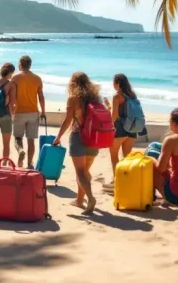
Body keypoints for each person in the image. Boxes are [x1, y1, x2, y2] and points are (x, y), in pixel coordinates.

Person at [53, 72, 101, 214]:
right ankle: (79, 201)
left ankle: (90, 198)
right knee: (85, 172)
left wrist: (58, 136)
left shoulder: (73, 99)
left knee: (80, 172)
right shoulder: (95, 98)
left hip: (79, 137)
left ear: (73, 83)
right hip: (94, 138)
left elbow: (68, 120)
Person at [11, 55, 47, 169]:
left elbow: (11, 95)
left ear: (20, 64)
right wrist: (43, 112)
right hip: (33, 113)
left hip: (19, 112)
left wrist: (10, 110)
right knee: (31, 140)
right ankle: (30, 163)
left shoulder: (15, 78)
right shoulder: (37, 78)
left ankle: (21, 151)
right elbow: (41, 97)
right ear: (30, 65)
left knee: (18, 138)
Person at [104, 73, 139, 188]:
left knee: (114, 157)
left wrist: (107, 127)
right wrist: (109, 106)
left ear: (117, 83)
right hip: (132, 129)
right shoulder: (132, 95)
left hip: (119, 129)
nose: (113, 85)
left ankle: (117, 181)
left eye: (114, 83)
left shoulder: (117, 96)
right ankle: (127, 180)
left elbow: (114, 116)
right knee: (127, 157)